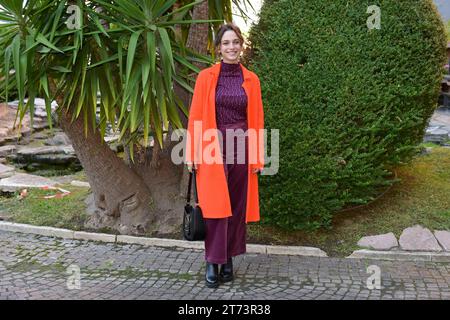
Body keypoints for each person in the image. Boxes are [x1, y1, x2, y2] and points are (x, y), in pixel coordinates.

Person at [185, 23, 265, 288]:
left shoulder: (251, 79)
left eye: (236, 42)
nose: (232, 47)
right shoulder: (206, 77)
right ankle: (212, 260)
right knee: (214, 207)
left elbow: (257, 120)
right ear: (218, 48)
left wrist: (257, 157)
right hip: (212, 145)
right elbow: (196, 116)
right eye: (226, 43)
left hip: (241, 145)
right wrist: (192, 153)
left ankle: (229, 259)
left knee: (236, 205)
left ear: (241, 46)